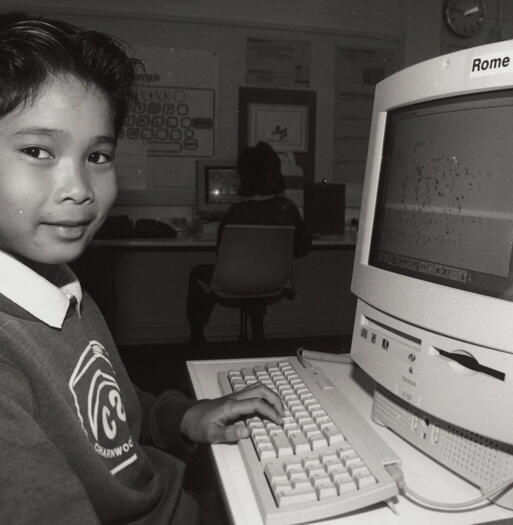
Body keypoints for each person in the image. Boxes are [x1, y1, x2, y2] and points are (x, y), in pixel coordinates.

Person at [0, 12, 284, 524]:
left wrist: (184, 416)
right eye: (38, 150)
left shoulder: (60, 288)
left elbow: (107, 414)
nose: (81, 187)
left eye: (99, 155)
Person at [187, 141, 312, 344]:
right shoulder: (288, 208)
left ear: (244, 177)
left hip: (233, 282)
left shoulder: (236, 212)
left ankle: (196, 337)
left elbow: (222, 255)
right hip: (273, 283)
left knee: (197, 273)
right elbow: (303, 248)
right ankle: (258, 332)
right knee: (259, 271)